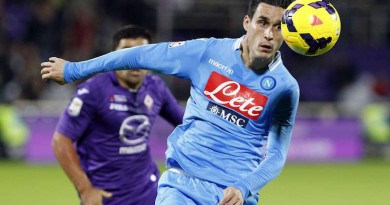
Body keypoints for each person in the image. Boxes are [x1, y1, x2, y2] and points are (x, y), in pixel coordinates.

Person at [41, 0, 300, 204]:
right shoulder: (206, 53)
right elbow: (139, 55)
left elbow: (276, 155)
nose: (268, 34)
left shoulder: (286, 88)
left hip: (234, 195)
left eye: (278, 26)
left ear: (286, 32)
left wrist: (244, 187)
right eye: (262, 22)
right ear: (247, 22)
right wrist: (75, 70)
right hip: (182, 186)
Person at [50, 24, 184, 205]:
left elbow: (186, 124)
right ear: (114, 57)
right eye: (126, 53)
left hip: (150, 192)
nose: (134, 60)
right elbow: (61, 141)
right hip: (107, 197)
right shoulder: (94, 90)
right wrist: (85, 189)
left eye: (141, 52)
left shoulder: (156, 87)